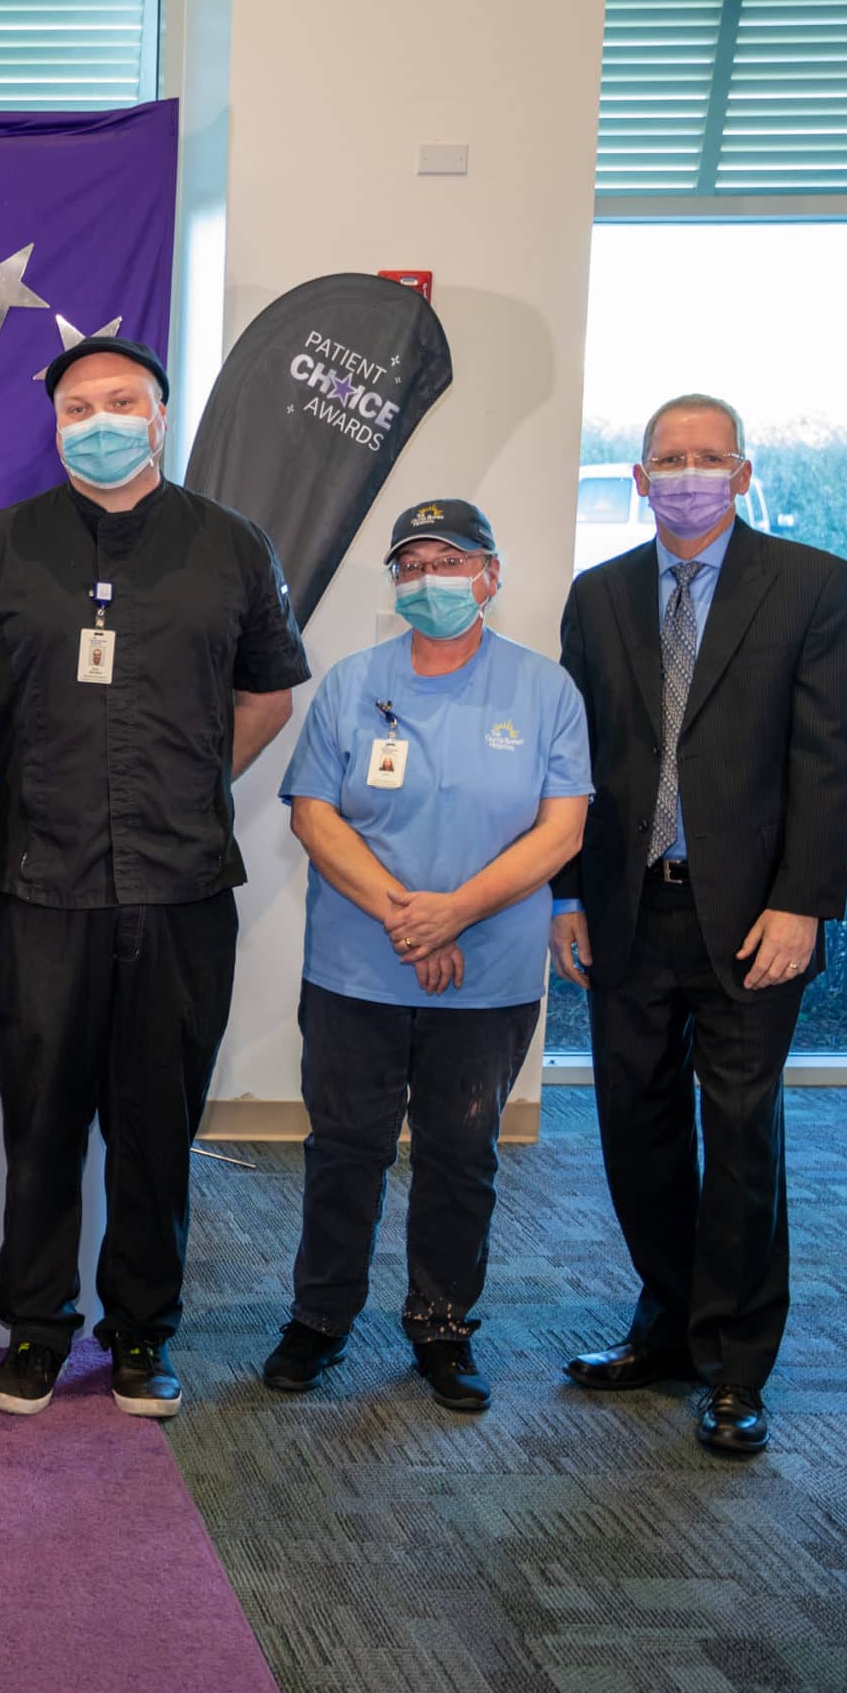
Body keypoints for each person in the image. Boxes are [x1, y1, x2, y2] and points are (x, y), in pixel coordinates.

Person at [0, 334, 310, 1421]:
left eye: (121, 400)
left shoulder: (229, 545)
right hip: (39, 887)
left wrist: (187, 780)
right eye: (77, 405)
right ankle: (37, 1330)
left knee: (156, 1120)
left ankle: (143, 1333)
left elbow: (268, 695)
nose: (99, 419)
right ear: (53, 425)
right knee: (39, 1122)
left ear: (158, 413)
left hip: (180, 886)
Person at [551, 395, 847, 1456]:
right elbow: (574, 765)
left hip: (754, 915)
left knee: (737, 1136)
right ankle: (669, 1322)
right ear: (638, 479)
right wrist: (562, 896)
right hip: (627, 905)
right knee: (632, 1128)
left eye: (707, 456)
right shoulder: (596, 597)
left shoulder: (811, 585)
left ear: (741, 471)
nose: (687, 472)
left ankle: (734, 1365)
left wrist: (805, 902)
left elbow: (827, 760)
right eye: (667, 458)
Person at [264, 499, 589, 1409]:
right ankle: (319, 1319)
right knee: (344, 1150)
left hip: (488, 973)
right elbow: (313, 814)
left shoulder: (544, 691)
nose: (431, 579)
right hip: (357, 968)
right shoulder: (351, 684)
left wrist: (455, 916)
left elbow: (560, 831)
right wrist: (408, 918)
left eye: (451, 562)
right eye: (412, 565)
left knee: (461, 1154)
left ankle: (442, 1325)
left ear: (491, 576)